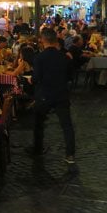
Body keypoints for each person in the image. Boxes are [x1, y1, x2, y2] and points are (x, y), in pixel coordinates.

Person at [32, 28, 76, 163]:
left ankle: (38, 148)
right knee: (66, 125)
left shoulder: (39, 57)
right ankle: (70, 154)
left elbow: (36, 78)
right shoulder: (64, 57)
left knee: (38, 123)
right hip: (61, 94)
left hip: (44, 94)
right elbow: (70, 76)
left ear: (42, 40)